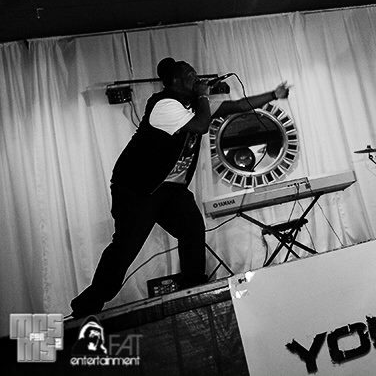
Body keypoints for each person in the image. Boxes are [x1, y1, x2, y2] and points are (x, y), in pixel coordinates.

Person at [70, 57, 290, 318]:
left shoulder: (194, 105)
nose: (196, 79)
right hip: (138, 188)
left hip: (170, 189)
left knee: (192, 229)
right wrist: (204, 96)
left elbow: (239, 105)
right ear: (174, 81)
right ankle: (88, 304)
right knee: (126, 247)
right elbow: (201, 125)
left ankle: (193, 290)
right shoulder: (163, 105)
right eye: (190, 75)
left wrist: (273, 94)